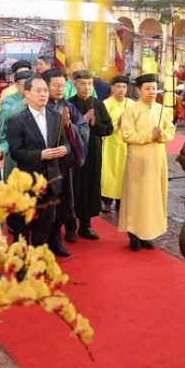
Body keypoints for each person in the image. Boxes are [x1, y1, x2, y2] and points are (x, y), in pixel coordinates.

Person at [6, 76, 72, 254]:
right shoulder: (17, 120)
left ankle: (37, 263)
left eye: (45, 90)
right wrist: (40, 155)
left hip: (51, 178)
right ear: (27, 93)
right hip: (27, 180)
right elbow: (16, 152)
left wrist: (64, 149)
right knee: (23, 225)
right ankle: (20, 265)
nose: (43, 94)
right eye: (38, 90)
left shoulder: (55, 116)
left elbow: (65, 141)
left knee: (44, 224)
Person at [118, 74, 175, 251]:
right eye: (147, 89)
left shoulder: (162, 110)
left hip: (157, 160)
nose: (151, 92)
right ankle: (134, 235)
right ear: (138, 90)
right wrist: (149, 136)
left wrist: (161, 136)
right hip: (138, 162)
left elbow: (171, 130)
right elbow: (127, 135)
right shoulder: (131, 111)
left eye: (153, 88)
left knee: (153, 197)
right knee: (137, 198)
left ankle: (148, 234)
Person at [43, 68, 89, 252]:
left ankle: (55, 239)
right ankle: (41, 241)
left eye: (62, 85)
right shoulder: (39, 107)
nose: (60, 89)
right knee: (45, 205)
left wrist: (69, 125)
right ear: (45, 86)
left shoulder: (67, 107)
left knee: (62, 204)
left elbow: (83, 128)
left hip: (63, 166)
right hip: (43, 165)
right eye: (56, 85)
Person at [67, 70, 114, 240]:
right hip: (75, 154)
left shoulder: (99, 104)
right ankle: (71, 226)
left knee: (90, 187)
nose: (86, 87)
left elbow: (109, 129)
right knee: (73, 189)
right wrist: (82, 122)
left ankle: (85, 225)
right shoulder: (68, 104)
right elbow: (64, 131)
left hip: (93, 153)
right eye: (82, 83)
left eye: (89, 84)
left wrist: (94, 125)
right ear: (75, 84)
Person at [101, 75, 134, 213]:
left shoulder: (132, 104)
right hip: (110, 143)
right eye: (118, 86)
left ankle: (122, 201)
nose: (121, 90)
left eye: (124, 87)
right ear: (112, 88)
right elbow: (102, 126)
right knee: (109, 172)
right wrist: (117, 124)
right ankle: (106, 201)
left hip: (127, 144)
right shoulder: (105, 104)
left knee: (125, 173)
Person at [0, 70, 32, 180]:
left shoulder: (38, 98)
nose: (28, 88)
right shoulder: (9, 100)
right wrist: (23, 103)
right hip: (15, 145)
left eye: (30, 84)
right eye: (25, 85)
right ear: (17, 85)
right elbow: (4, 116)